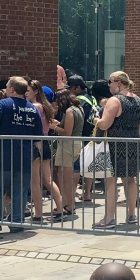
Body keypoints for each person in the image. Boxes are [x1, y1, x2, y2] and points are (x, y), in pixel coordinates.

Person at [0, 77, 43, 233]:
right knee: (19, 192)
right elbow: (39, 138)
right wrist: (38, 155)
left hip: (1, 156)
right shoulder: (33, 109)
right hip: (24, 157)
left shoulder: (2, 104)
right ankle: (16, 222)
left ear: (12, 89)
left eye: (7, 86)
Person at [93, 71, 140, 229]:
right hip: (132, 143)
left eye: (110, 81)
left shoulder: (115, 100)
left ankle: (109, 218)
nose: (108, 85)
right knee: (130, 180)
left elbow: (105, 124)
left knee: (111, 180)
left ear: (119, 83)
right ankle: (132, 214)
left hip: (115, 144)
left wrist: (96, 120)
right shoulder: (137, 100)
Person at [27, 81, 64, 223]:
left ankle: (38, 214)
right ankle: (60, 208)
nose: (25, 93)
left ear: (36, 91)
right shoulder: (45, 106)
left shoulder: (34, 106)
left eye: (28, 90)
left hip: (37, 144)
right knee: (47, 179)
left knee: (35, 181)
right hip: (45, 143)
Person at [51, 89, 84, 218]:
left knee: (66, 177)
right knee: (63, 174)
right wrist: (59, 124)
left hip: (68, 144)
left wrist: (54, 127)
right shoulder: (79, 108)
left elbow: (67, 132)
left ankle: (69, 205)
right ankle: (66, 203)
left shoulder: (70, 111)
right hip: (75, 143)